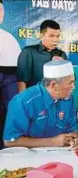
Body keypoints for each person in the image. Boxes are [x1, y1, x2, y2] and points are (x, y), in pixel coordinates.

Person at [3, 60, 78, 151]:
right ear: (54, 85)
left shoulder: (67, 98)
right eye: (70, 82)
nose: (74, 87)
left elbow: (72, 129)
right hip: (28, 158)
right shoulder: (24, 101)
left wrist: (75, 140)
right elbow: (10, 141)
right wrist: (53, 142)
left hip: (60, 154)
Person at [17, 19, 67, 92]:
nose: (55, 40)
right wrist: (24, 101)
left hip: (56, 98)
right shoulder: (29, 52)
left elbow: (71, 78)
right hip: (35, 97)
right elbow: (21, 81)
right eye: (51, 36)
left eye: (58, 36)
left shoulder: (61, 54)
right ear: (41, 36)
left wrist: (63, 64)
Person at [0, 0, 21, 149]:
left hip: (10, 77)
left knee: (11, 115)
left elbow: (18, 70)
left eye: (1, 11)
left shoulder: (9, 39)